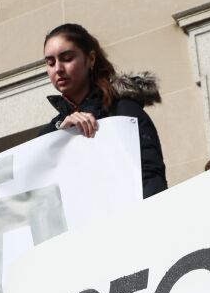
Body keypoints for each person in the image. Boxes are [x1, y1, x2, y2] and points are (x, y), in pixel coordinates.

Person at [40, 23, 168, 199]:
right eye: (50, 62)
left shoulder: (124, 111)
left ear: (90, 59)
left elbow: (150, 178)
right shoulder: (50, 133)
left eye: (67, 58)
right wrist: (62, 139)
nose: (58, 69)